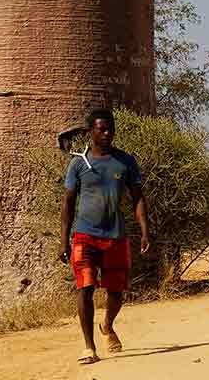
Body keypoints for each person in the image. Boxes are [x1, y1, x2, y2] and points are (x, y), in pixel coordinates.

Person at [59, 108, 150, 366]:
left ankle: (107, 324)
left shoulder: (125, 162)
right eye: (102, 129)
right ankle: (89, 347)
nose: (107, 133)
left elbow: (138, 198)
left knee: (116, 291)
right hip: (85, 236)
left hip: (116, 236)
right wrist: (64, 240)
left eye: (111, 128)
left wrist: (145, 230)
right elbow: (68, 204)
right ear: (91, 132)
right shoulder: (78, 164)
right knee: (85, 287)